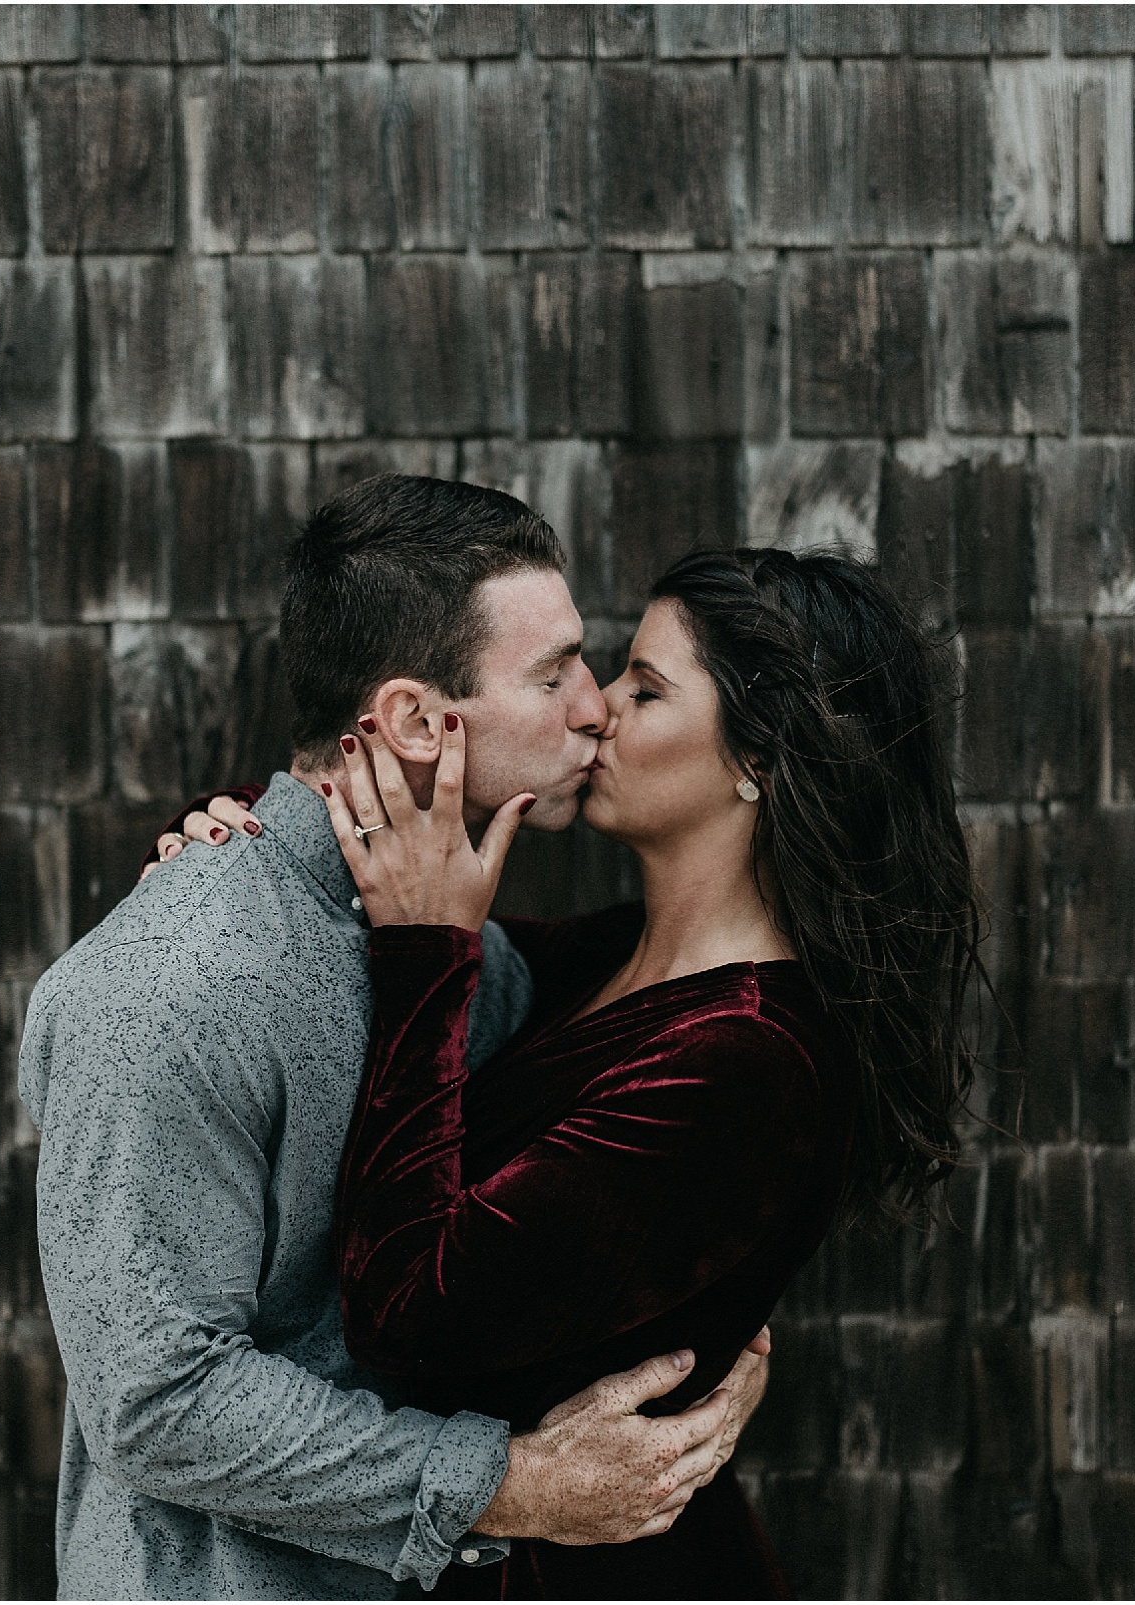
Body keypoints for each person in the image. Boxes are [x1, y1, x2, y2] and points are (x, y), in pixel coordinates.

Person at [163, 546, 991, 1597]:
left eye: (645, 689)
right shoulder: (610, 959)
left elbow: (410, 1317)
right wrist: (248, 836)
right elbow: (391, 925)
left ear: (761, 759)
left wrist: (426, 951)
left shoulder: (755, 1060)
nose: (596, 708)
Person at [18, 475, 771, 1601]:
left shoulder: (464, 950)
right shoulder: (165, 990)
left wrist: (726, 1337)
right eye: (554, 670)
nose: (592, 707)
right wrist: (512, 1486)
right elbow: (158, 1400)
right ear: (418, 720)